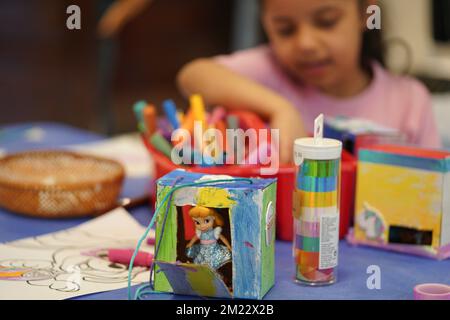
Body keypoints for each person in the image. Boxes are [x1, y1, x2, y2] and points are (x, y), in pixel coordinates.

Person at [177, 0, 442, 164]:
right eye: (285, 29)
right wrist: (280, 108)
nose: (306, 43)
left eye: (326, 22)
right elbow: (193, 75)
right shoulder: (270, 70)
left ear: (366, 13)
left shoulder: (409, 100)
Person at [186, 206, 232, 270]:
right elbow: (195, 238)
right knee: (201, 262)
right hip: (203, 250)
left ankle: (213, 272)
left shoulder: (215, 231)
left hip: (213, 250)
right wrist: (190, 244)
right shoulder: (199, 232)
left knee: (213, 263)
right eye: (197, 223)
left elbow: (223, 238)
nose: (202, 226)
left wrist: (229, 246)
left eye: (206, 221)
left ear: (213, 218)